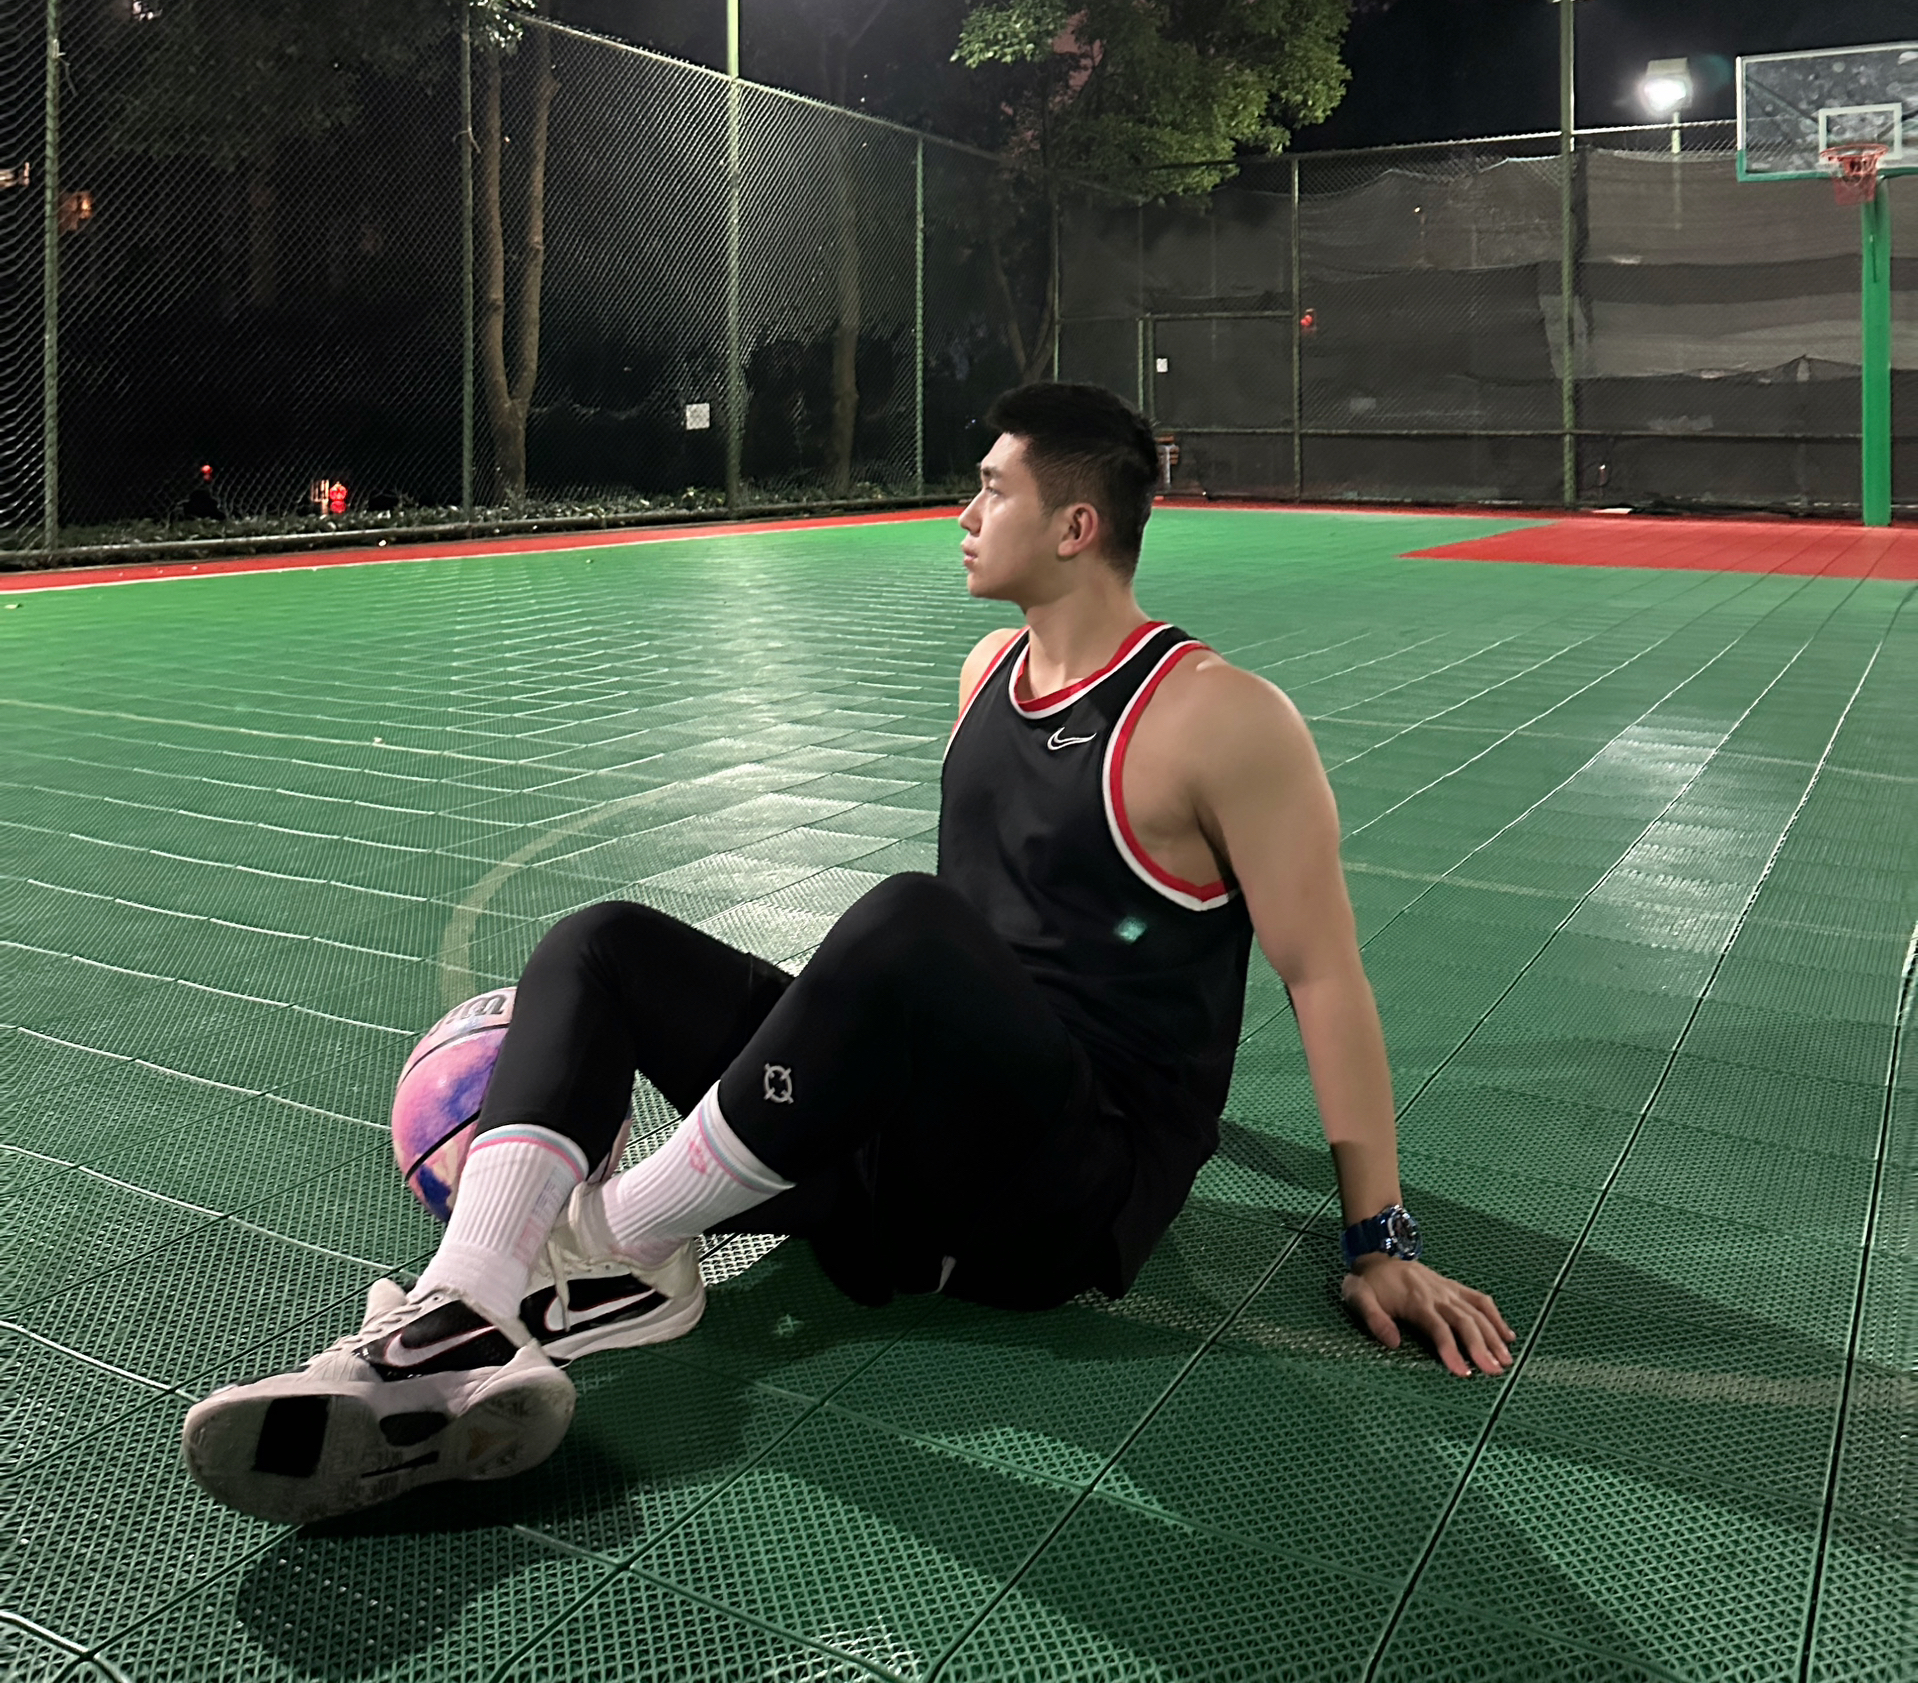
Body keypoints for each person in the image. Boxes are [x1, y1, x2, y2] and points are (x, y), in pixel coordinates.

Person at [183, 382, 1512, 1525]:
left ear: (1075, 526)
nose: (964, 513)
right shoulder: (987, 670)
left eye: (990, 489)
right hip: (910, 1151)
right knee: (600, 945)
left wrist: (1377, 1238)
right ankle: (464, 1305)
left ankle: (602, 1245)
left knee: (903, 922)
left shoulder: (1220, 718)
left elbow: (1325, 979)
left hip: (1063, 1189)